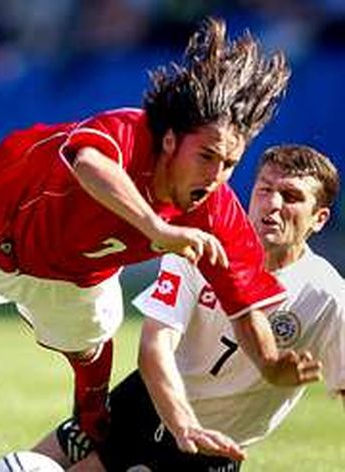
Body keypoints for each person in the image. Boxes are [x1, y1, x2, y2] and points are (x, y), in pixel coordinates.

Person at [0, 17, 311, 452]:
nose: (216, 175)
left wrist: (271, 363)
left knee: (93, 333)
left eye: (230, 164)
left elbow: (244, 308)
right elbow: (89, 164)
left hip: (76, 271)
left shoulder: (216, 211)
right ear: (170, 141)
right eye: (207, 156)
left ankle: (90, 421)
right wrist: (156, 228)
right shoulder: (128, 130)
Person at [32, 144, 343, 471]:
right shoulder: (201, 244)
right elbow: (155, 345)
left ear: (319, 218)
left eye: (291, 197)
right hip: (148, 400)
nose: (273, 204)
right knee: (34, 463)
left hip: (213, 446)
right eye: (265, 190)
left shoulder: (328, 296)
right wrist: (182, 423)